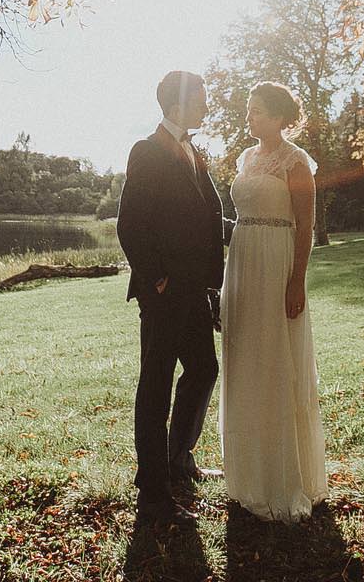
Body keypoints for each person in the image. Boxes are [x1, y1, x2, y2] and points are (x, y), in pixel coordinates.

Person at [116, 69, 230, 529]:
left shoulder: (193, 151)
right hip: (164, 293)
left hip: (195, 290)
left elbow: (204, 219)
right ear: (178, 104)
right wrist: (158, 278)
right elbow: (131, 226)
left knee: (204, 368)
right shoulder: (146, 151)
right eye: (202, 99)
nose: (207, 105)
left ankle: (179, 456)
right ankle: (153, 489)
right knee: (157, 382)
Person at [219, 80, 327, 522]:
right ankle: (248, 477)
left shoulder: (296, 162)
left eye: (258, 111)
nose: (250, 117)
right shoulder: (246, 159)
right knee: (246, 362)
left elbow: (306, 227)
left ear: (281, 117)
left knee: (276, 364)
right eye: (249, 110)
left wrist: (296, 281)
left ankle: (283, 479)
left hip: (278, 265)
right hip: (242, 266)